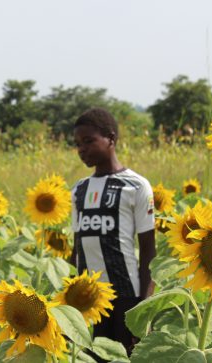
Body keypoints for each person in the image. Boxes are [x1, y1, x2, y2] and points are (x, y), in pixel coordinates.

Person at [70, 108, 156, 357]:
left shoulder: (136, 186)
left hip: (126, 296)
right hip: (88, 299)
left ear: (111, 138)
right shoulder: (79, 189)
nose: (82, 149)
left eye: (88, 141)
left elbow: (149, 250)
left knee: (124, 357)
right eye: (77, 144)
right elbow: (77, 248)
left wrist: (143, 307)